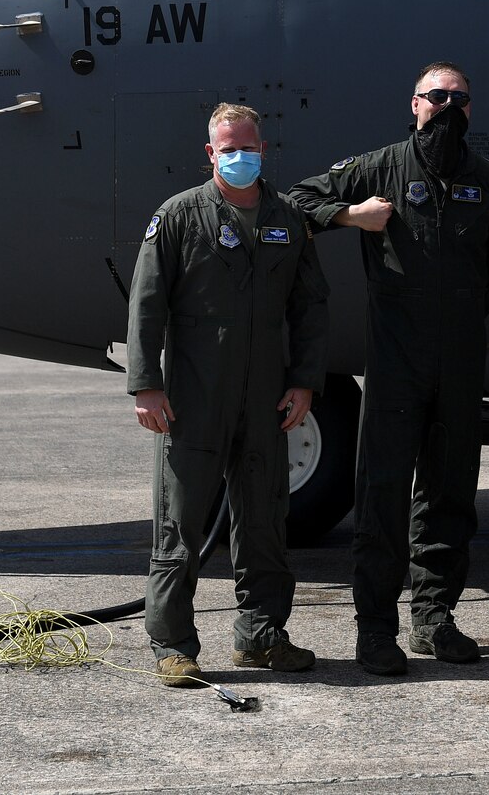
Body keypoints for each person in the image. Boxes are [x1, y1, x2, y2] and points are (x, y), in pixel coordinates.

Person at [287, 62, 489, 676]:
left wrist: (482, 300)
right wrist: (351, 216)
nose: (446, 106)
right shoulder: (380, 166)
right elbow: (299, 200)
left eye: (457, 98)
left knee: (449, 493)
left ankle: (436, 618)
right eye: (435, 96)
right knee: (383, 495)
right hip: (395, 359)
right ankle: (376, 630)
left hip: (461, 357)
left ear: (469, 109)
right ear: (413, 103)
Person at [125, 102, 330, 686]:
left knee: (264, 521)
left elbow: (311, 305)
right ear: (211, 153)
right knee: (181, 525)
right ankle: (172, 645)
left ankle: (261, 637)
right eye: (227, 147)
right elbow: (146, 303)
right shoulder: (180, 215)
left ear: (263, 150)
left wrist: (305, 381)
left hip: (266, 397)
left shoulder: (288, 218)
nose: (239, 155)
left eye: (248, 145)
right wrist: (147, 385)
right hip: (195, 398)